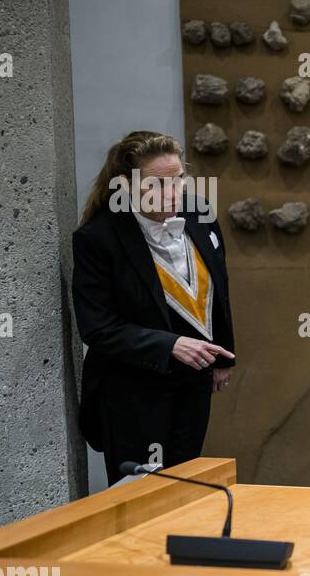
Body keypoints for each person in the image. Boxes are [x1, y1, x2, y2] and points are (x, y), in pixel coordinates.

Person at [72, 130, 236, 485]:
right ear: (125, 186)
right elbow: (98, 328)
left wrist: (224, 356)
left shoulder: (200, 214)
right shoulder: (97, 239)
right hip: (133, 391)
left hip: (194, 383)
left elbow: (218, 289)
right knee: (143, 493)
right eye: (157, 185)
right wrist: (169, 345)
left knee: (186, 484)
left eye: (178, 180)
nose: (173, 192)